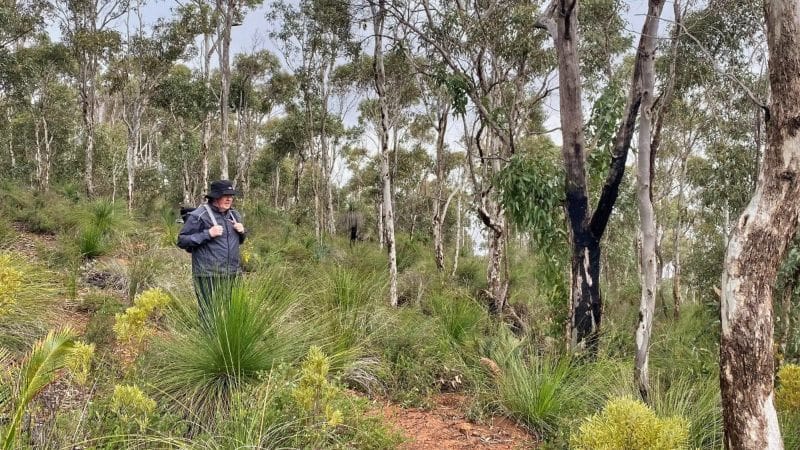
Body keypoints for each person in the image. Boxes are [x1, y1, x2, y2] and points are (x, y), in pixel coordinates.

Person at [177, 180, 246, 323]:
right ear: (215, 197)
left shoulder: (234, 215)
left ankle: (226, 343)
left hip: (232, 272)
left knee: (231, 310)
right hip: (208, 273)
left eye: (231, 196)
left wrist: (242, 232)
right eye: (225, 195)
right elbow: (182, 240)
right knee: (208, 313)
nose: (229, 199)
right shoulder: (199, 215)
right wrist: (208, 234)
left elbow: (238, 241)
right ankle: (206, 341)